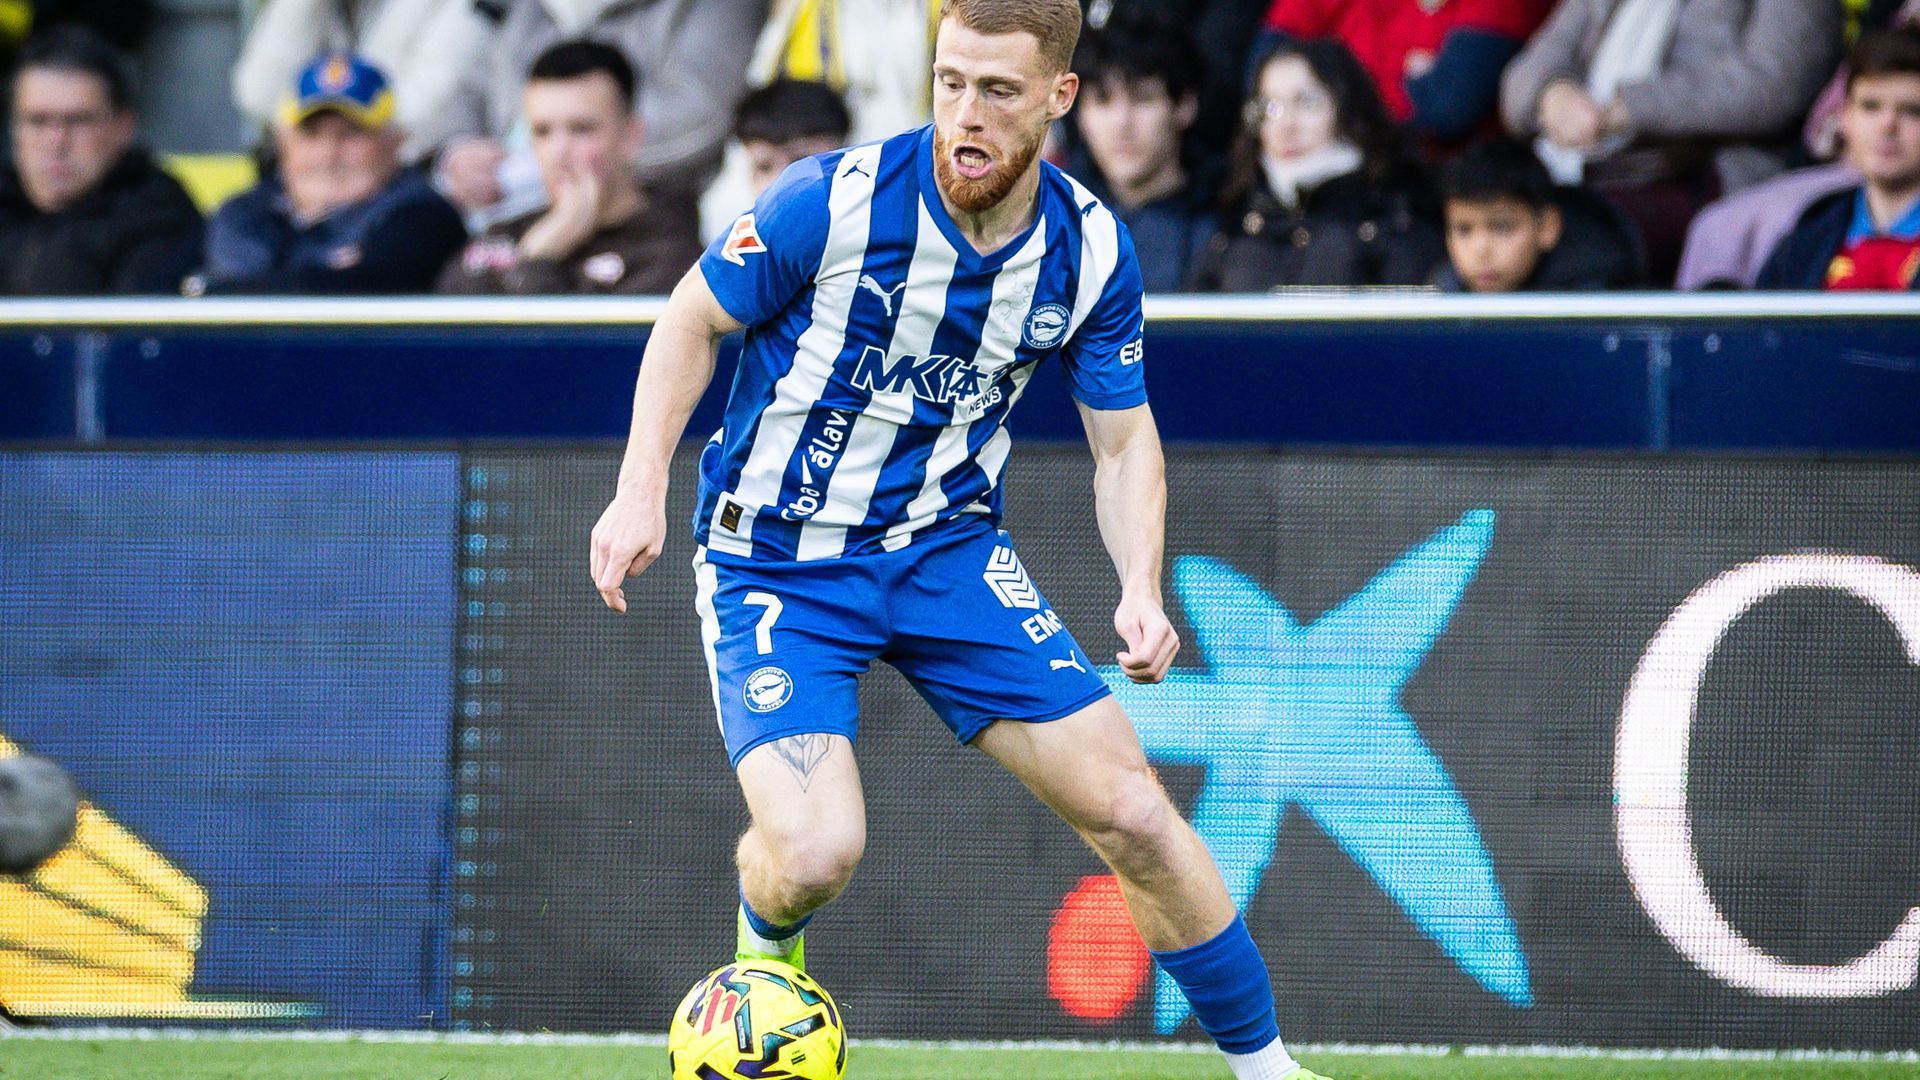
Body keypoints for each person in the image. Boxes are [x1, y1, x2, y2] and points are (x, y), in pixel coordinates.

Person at [587, 2, 1333, 1077]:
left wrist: (1139, 584)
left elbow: (1124, 446)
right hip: (778, 562)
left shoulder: (1089, 250)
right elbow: (689, 319)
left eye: (996, 91)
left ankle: (1268, 1071)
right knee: (813, 854)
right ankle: (765, 948)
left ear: (1058, 97)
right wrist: (637, 490)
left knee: (1134, 811)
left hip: (945, 553)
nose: (963, 116)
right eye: (948, 83)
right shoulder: (833, 201)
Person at [1500, 0, 1842, 283]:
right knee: (1484, 224)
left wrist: (1624, 109)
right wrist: (1553, 93)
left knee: (1569, 240)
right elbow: (1522, 78)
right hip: (1581, 171)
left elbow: (1773, 87)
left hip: (1703, 173)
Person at [424, 0, 767, 221]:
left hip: (646, 217)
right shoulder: (527, 8)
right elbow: (471, 84)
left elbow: (699, 117)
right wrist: (457, 150)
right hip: (499, 218)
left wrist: (546, 160)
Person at [438, 40, 701, 296]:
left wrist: (538, 262)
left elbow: (574, 342)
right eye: (542, 131)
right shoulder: (503, 235)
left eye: (581, 129)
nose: (558, 150)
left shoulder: (674, 255)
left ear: (631, 136)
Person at [194, 51, 465, 295]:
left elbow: (367, 288)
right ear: (282, 142)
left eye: (350, 135)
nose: (328, 153)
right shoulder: (240, 214)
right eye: (311, 135)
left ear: (394, 141)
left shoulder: (423, 217)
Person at [1188, 38, 1442, 291]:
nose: (1286, 125)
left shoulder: (1397, 215)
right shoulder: (1236, 222)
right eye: (1270, 107)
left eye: (1307, 103)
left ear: (1347, 109)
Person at [0, 26, 202, 295]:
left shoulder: (159, 215)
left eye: (78, 121)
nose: (56, 141)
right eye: (38, 121)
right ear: (13, 129)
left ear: (123, 127)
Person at [1757, 26, 1920, 290]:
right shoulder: (1808, 234)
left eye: (1913, 111)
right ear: (1845, 118)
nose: (1887, 125)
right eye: (1870, 106)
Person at [230, 0, 495, 161]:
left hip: (413, 183)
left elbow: (418, 113)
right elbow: (259, 95)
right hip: (318, 188)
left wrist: (339, 114)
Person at [1066, 11, 1216, 292]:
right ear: (1078, 115)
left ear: (1184, 106)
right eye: (1102, 100)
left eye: (1143, 99)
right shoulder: (1044, 222)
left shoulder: (1230, 224)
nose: (1121, 122)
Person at [1258, 0, 1551, 143]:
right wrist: (1408, 80)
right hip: (1317, 170)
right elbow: (1264, 68)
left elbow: (1445, 109)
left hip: (1432, 197)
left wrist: (1318, 89)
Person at [1436, 136, 1641, 291]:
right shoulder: (1440, 296)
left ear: (1547, 227)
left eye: (1501, 228)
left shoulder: (1598, 301)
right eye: (1463, 230)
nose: (1481, 249)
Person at [698, 78, 854, 242]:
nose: (780, 181)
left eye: (801, 163)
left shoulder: (876, 232)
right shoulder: (733, 244)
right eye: (764, 167)